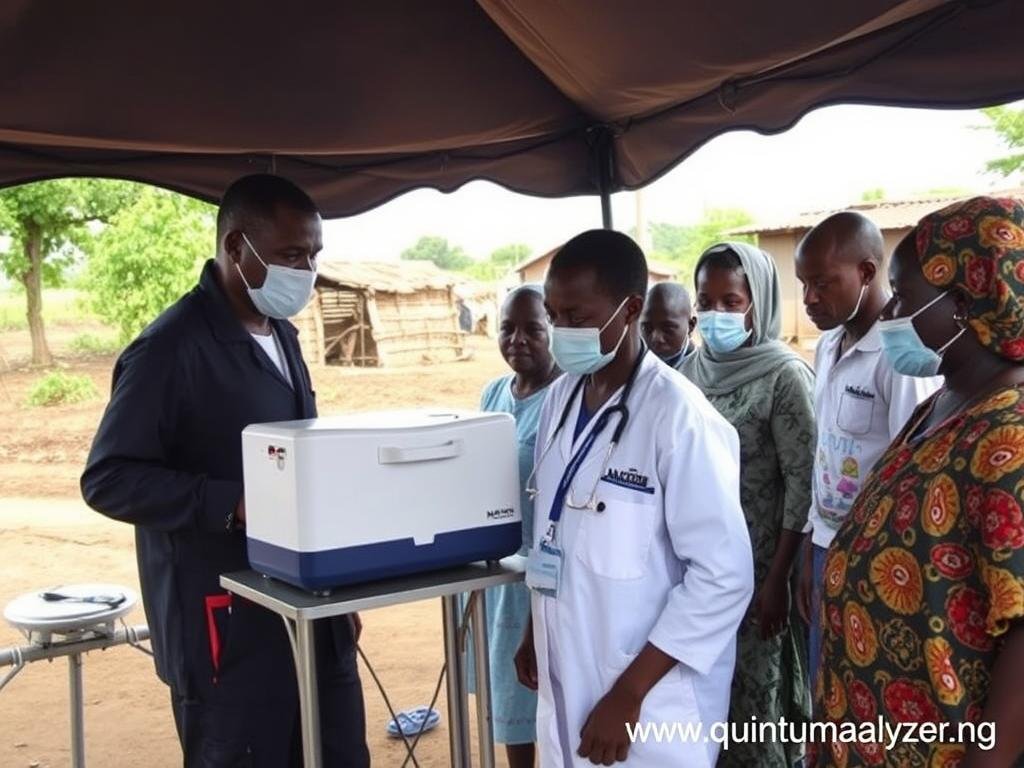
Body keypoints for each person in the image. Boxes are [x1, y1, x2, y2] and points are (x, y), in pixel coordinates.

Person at [81, 174, 370, 767]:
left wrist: (336, 590)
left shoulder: (281, 334)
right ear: (237, 247)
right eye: (292, 254)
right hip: (225, 623)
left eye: (314, 255)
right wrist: (230, 503)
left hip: (310, 609)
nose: (308, 270)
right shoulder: (170, 348)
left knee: (335, 751)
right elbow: (108, 477)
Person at [515, 229, 753, 767]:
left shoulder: (680, 419)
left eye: (577, 317)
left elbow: (724, 575)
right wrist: (537, 629)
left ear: (630, 310)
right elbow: (557, 529)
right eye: (554, 316)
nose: (560, 332)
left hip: (648, 705)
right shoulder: (559, 399)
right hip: (566, 667)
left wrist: (629, 694)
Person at [814, 196, 1024, 767]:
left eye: (904, 298)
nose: (888, 316)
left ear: (964, 302)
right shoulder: (940, 405)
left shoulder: (1010, 434)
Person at [681, 241, 815, 768]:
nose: (716, 314)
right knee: (700, 703)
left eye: (731, 302)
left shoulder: (784, 376)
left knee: (758, 702)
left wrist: (779, 578)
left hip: (761, 570)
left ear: (757, 302)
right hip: (697, 570)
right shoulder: (689, 372)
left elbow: (803, 483)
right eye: (706, 301)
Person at [793, 212, 940, 692]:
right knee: (825, 681)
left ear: (868, 273)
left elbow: (914, 471)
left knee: (870, 686)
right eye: (803, 284)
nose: (810, 298)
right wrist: (809, 546)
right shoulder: (828, 345)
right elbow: (824, 454)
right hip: (824, 545)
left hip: (878, 557)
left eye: (822, 283)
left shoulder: (900, 358)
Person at [468, 284, 560, 768]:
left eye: (532, 328)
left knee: (538, 691)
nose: (517, 339)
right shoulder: (493, 392)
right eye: (507, 328)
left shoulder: (564, 400)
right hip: (492, 565)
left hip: (538, 570)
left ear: (554, 331)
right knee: (503, 690)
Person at [640, 281, 697, 369]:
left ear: (691, 325)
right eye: (647, 328)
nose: (656, 338)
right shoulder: (632, 361)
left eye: (667, 329)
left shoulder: (701, 372)